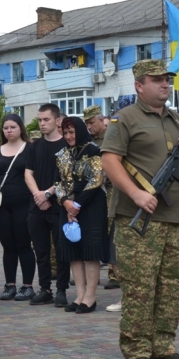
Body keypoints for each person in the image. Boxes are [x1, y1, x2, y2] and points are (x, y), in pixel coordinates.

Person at [101, 59, 179, 359]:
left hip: (174, 216)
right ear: (139, 86)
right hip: (138, 215)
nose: (164, 85)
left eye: (166, 80)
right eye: (157, 80)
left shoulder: (176, 119)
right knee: (141, 285)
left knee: (171, 285)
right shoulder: (125, 119)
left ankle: (163, 345)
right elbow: (110, 162)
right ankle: (136, 347)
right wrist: (137, 193)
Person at [55, 116, 108, 313]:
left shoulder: (93, 150)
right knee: (73, 252)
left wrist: (76, 204)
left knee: (89, 251)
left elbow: (96, 179)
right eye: (65, 132)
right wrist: (66, 202)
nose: (68, 136)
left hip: (91, 205)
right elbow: (58, 182)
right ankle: (79, 295)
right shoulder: (61, 154)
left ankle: (90, 297)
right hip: (68, 206)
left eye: (72, 131)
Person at [24, 104, 71, 306]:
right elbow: (28, 173)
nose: (42, 124)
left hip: (58, 206)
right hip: (36, 207)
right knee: (40, 251)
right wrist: (37, 195)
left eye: (46, 120)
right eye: (40, 120)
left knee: (61, 249)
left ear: (57, 120)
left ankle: (61, 289)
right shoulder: (34, 146)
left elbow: (66, 177)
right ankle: (44, 288)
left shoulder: (66, 147)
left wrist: (47, 194)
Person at [0, 114, 36, 301]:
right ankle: (9, 285)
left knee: (23, 244)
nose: (9, 130)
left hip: (24, 203)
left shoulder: (30, 148)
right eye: (5, 127)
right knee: (8, 246)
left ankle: (28, 285)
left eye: (13, 127)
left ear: (20, 128)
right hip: (2, 205)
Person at [84, 105, 120, 293]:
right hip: (96, 190)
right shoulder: (89, 142)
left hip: (113, 189)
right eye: (87, 124)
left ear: (101, 120)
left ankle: (115, 275)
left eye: (92, 122)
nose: (90, 126)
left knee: (113, 228)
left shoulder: (112, 136)